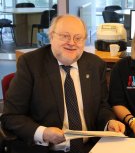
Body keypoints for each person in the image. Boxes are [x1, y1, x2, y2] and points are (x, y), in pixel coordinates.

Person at [1, 14, 125, 153]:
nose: (71, 43)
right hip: (47, 149)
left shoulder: (96, 65)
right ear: (51, 36)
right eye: (65, 36)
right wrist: (44, 133)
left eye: (78, 38)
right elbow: (11, 117)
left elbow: (102, 106)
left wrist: (109, 122)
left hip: (89, 147)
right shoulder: (30, 64)